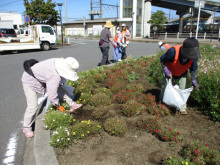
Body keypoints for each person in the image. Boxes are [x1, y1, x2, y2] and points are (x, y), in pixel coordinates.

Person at [21, 57, 82, 138]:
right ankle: (26, 127)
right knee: (33, 105)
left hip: (41, 77)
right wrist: (58, 105)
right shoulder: (54, 75)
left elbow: (58, 87)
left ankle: (71, 104)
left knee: (58, 88)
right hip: (29, 80)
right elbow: (52, 95)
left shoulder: (58, 65)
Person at [159, 38, 201, 115]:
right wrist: (165, 69)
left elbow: (193, 69)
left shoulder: (193, 56)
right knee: (165, 88)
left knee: (183, 90)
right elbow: (162, 60)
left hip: (182, 73)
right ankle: (162, 103)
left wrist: (194, 80)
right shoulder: (173, 51)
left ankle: (182, 107)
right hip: (169, 72)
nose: (190, 57)